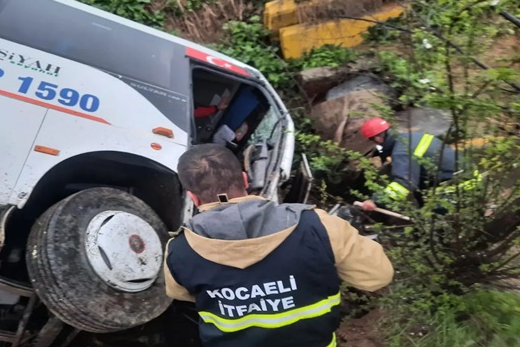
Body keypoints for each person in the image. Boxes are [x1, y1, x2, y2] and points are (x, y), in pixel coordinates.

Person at [163, 144, 394, 347]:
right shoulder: (319, 226)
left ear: (193, 197)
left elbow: (180, 293)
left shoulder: (179, 251)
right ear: (245, 179)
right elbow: (378, 276)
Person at [359, 117, 480, 212]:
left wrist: (376, 201)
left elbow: (405, 184)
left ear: (378, 139)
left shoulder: (402, 152)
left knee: (434, 226)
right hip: (472, 179)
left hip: (459, 188)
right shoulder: (413, 137)